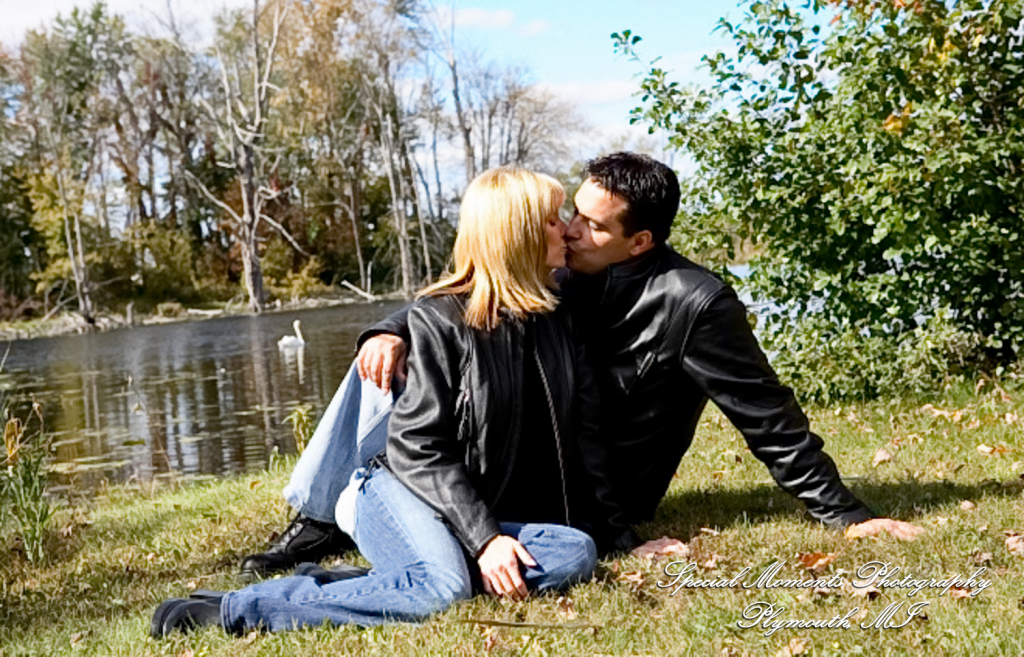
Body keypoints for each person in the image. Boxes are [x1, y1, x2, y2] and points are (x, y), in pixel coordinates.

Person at [240, 152, 921, 579]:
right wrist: (388, 327)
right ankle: (320, 518)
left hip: (594, 480)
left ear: (640, 242)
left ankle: (402, 544)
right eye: (571, 214)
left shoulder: (696, 302)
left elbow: (768, 416)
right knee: (381, 361)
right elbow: (475, 292)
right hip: (527, 450)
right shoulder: (568, 274)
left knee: (411, 373)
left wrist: (845, 514)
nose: (569, 228)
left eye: (591, 224)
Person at [151, 167, 622, 637]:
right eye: (553, 219)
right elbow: (417, 448)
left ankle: (380, 581)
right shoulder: (441, 320)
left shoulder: (559, 317)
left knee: (575, 551)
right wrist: (485, 540)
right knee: (443, 589)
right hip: (397, 488)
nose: (567, 229)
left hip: (476, 506)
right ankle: (234, 609)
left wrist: (621, 536)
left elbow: (587, 435)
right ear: (516, 232)